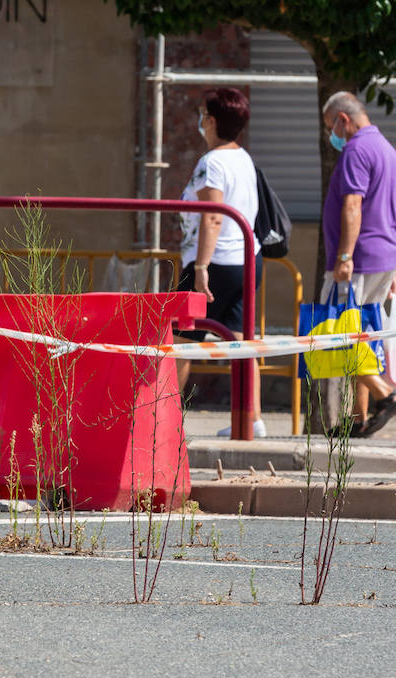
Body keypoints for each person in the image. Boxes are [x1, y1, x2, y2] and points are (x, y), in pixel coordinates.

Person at [175, 87, 266, 437]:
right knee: (242, 342)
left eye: (202, 116)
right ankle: (252, 420)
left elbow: (213, 216)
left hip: (214, 264)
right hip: (246, 260)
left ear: (211, 121)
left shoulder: (211, 162)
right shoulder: (243, 158)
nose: (201, 122)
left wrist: (200, 267)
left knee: (178, 342)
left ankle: (163, 422)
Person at [320, 90, 396, 437]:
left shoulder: (356, 149)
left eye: (331, 127)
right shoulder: (388, 150)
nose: (332, 136)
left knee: (333, 333)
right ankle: (358, 418)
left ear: (344, 120)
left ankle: (386, 395)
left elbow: (353, 205)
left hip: (358, 260)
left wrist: (344, 255)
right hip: (384, 258)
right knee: (363, 336)